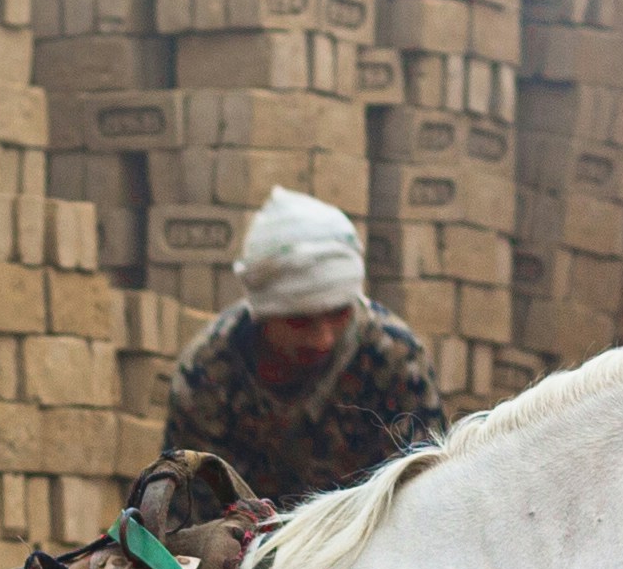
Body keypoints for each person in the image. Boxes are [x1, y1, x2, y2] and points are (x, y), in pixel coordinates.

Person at [156, 188, 446, 506]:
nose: (323, 338)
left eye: (338, 315)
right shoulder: (207, 373)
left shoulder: (395, 361)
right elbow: (190, 512)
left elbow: (424, 497)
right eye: (300, 322)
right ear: (265, 315)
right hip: (245, 547)